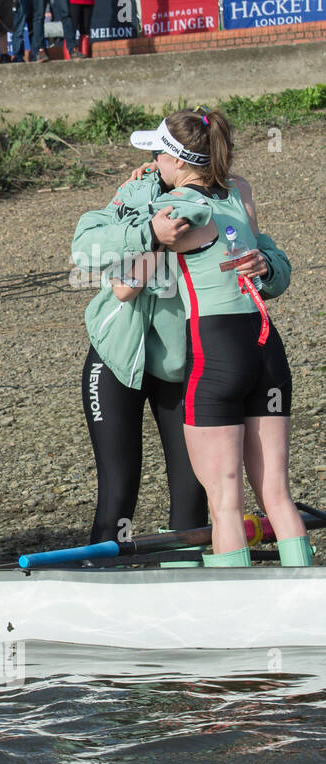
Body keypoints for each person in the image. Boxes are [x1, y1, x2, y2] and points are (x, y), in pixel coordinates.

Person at [71, 145, 291, 556]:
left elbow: (270, 275)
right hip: (119, 359)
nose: (154, 161)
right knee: (118, 492)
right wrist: (154, 235)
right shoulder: (138, 192)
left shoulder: (232, 199)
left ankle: (194, 593)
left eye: (161, 153)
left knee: (192, 503)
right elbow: (96, 262)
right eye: (153, 155)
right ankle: (99, 588)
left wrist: (267, 265)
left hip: (185, 366)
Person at [126, 109, 309, 567]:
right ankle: (306, 594)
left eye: (157, 154)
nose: (152, 161)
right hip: (267, 349)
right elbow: (271, 259)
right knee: (276, 495)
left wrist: (139, 192)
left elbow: (124, 286)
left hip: (217, 355)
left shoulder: (176, 211)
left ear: (177, 161)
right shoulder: (239, 193)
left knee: (225, 502)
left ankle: (234, 612)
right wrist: (266, 265)